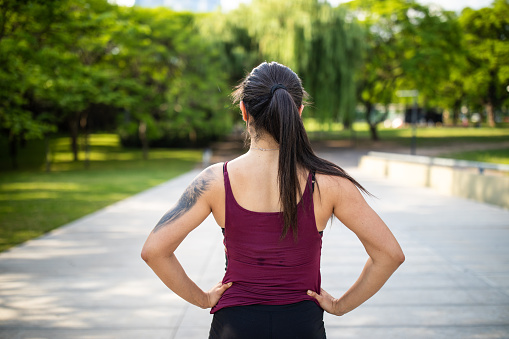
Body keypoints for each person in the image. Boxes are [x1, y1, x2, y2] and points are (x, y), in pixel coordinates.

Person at [141, 61, 405, 339]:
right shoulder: (330, 182)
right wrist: (339, 306)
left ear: (244, 111)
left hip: (234, 325)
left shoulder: (215, 180)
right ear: (299, 111)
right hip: (302, 325)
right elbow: (389, 255)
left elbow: (154, 250)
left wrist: (203, 299)